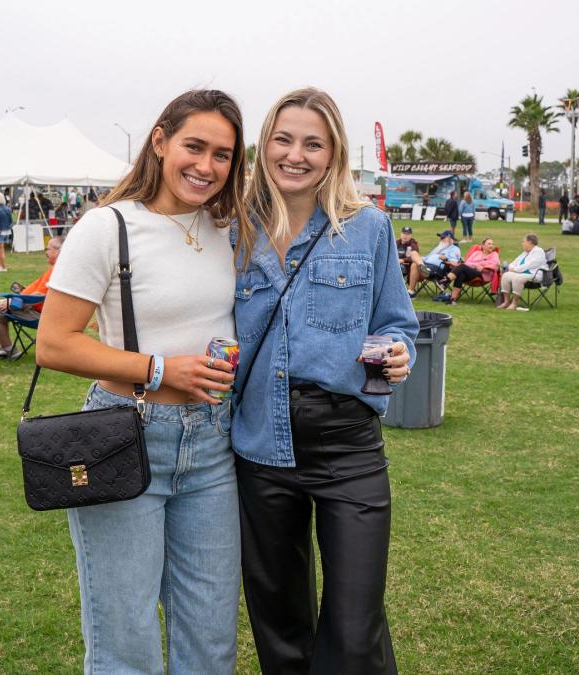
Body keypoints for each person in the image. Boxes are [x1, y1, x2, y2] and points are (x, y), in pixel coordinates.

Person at [35, 89, 250, 674]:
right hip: (126, 436)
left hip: (211, 443)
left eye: (223, 155)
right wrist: (158, 368)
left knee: (210, 634)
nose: (206, 167)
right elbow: (54, 342)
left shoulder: (228, 228)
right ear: (160, 141)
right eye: (194, 147)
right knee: (124, 635)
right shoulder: (108, 227)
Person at [233, 87, 417, 675]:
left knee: (353, 622)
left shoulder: (369, 229)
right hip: (261, 443)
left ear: (334, 152)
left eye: (313, 143)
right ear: (265, 145)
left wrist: (398, 352)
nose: (296, 154)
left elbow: (396, 323)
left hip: (348, 447)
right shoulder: (233, 228)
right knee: (280, 620)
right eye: (284, 139)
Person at [0, 236, 62, 358]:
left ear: (59, 251)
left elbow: (39, 295)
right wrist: (24, 291)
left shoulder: (56, 271)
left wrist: (14, 302)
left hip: (38, 313)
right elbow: (41, 291)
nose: (46, 252)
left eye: (48, 249)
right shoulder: (58, 269)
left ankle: (10, 351)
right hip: (34, 307)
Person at [438, 236, 500, 305]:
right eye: (489, 244)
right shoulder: (476, 253)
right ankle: (452, 299)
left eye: (492, 244)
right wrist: (476, 265)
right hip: (471, 272)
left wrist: (482, 266)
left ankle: (445, 280)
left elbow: (494, 265)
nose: (491, 245)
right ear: (483, 245)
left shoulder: (494, 254)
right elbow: (468, 263)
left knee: (462, 266)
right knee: (461, 273)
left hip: (483, 275)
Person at [498, 233, 547, 310]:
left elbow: (529, 265)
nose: (522, 243)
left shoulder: (539, 252)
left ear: (529, 242)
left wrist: (515, 270)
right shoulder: (525, 253)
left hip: (534, 275)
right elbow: (514, 262)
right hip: (521, 273)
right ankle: (506, 301)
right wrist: (510, 268)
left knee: (518, 278)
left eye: (524, 241)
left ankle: (514, 303)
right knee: (505, 276)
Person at [406, 229, 461, 297]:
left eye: (443, 238)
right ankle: (411, 291)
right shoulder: (438, 248)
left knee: (415, 264)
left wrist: (446, 259)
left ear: (450, 239)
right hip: (426, 266)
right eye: (440, 238)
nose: (441, 239)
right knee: (413, 254)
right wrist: (417, 258)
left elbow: (455, 264)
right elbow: (426, 258)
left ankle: (411, 290)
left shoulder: (455, 249)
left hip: (437, 270)